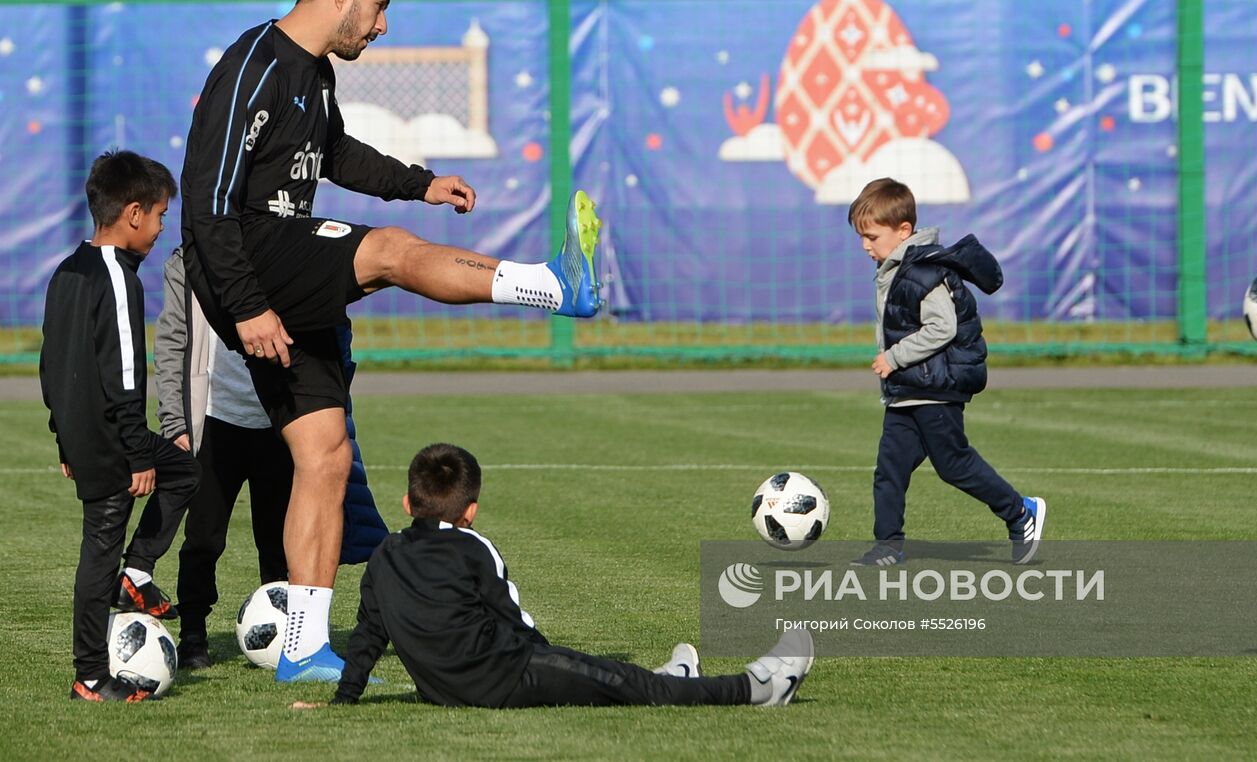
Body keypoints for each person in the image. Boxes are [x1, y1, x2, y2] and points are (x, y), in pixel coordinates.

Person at [180, 0, 602, 682]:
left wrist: (421, 181)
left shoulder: (312, 74)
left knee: (325, 456)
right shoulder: (252, 65)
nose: (382, 25)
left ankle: (303, 647)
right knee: (389, 254)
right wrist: (246, 307)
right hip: (248, 260)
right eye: (379, 7)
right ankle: (556, 285)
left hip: (272, 276)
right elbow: (208, 204)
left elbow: (336, 154)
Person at [302, 443, 813, 709]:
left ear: (408, 502)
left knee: (614, 681)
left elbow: (369, 634)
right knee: (615, 679)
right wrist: (551, 662)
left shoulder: (386, 553)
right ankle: (758, 688)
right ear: (471, 511)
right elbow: (515, 620)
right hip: (502, 679)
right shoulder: (474, 547)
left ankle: (671, 676)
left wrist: (344, 698)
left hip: (444, 689)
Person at [154, 248, 389, 669]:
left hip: (281, 421)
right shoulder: (192, 262)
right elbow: (173, 342)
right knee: (204, 538)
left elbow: (333, 332)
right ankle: (193, 634)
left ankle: (291, 635)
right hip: (214, 421)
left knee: (279, 541)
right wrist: (176, 422)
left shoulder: (291, 251)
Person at [39, 150, 200, 702]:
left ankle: (137, 571)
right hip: (111, 440)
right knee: (98, 554)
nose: (160, 229)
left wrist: (63, 437)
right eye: (158, 216)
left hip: (84, 433)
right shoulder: (117, 279)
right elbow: (127, 376)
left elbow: (51, 364)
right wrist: (138, 454)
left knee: (186, 471)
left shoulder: (67, 269)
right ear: (133, 213)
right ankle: (89, 674)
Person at [847, 177, 1046, 567]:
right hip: (907, 390)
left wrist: (895, 356)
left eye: (871, 236)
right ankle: (888, 545)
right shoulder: (894, 268)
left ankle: (1020, 513)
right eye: (861, 237)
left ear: (903, 231)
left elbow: (944, 327)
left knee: (953, 465)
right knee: (889, 470)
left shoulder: (925, 270)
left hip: (936, 387)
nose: (865, 245)